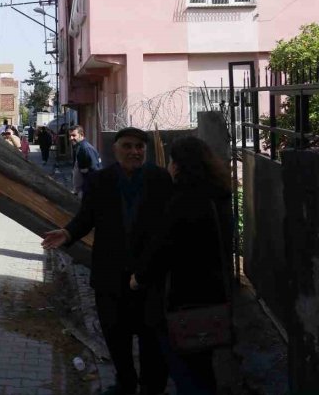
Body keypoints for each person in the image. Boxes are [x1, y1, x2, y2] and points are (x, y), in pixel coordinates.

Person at [42, 127, 173, 395]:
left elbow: (169, 226)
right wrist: (68, 232)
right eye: (128, 146)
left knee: (152, 340)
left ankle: (152, 388)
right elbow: (86, 216)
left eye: (139, 147)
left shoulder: (159, 179)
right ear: (115, 149)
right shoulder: (101, 181)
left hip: (149, 277)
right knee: (116, 336)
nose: (134, 151)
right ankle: (125, 383)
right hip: (110, 276)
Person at [131, 136, 232, 395]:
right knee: (202, 368)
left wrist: (139, 277)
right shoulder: (218, 197)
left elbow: (162, 248)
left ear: (179, 165)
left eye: (173, 160)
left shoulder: (182, 202)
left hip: (179, 299)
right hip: (210, 296)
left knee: (186, 373)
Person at [69, 125, 102, 197]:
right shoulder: (79, 147)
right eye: (70, 136)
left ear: (81, 135)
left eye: (74, 135)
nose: (71, 138)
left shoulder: (86, 149)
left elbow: (95, 171)